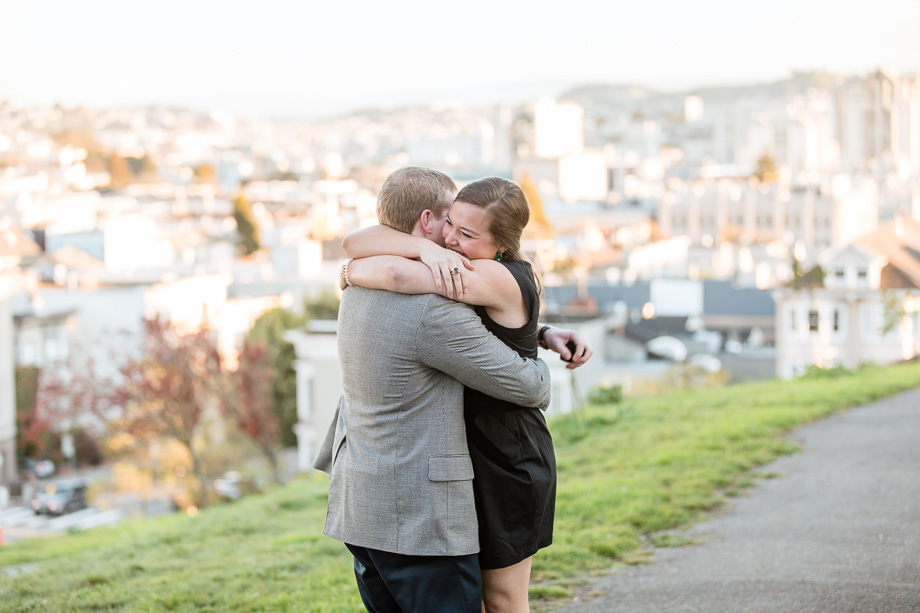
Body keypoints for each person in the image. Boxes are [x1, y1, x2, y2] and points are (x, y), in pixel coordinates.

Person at [315, 167, 590, 613]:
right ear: (429, 221)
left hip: (495, 456)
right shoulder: (434, 291)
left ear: (499, 242)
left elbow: (384, 268)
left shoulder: (374, 289)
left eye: (465, 230)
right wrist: (539, 336)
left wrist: (348, 272)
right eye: (450, 223)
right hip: (440, 480)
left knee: (503, 600)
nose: (452, 236)